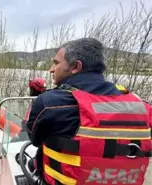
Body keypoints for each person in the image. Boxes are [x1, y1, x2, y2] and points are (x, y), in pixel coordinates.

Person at [26, 38, 152, 185]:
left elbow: (34, 139)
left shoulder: (49, 103)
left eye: (56, 63)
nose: (51, 69)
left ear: (75, 66)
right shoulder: (140, 105)